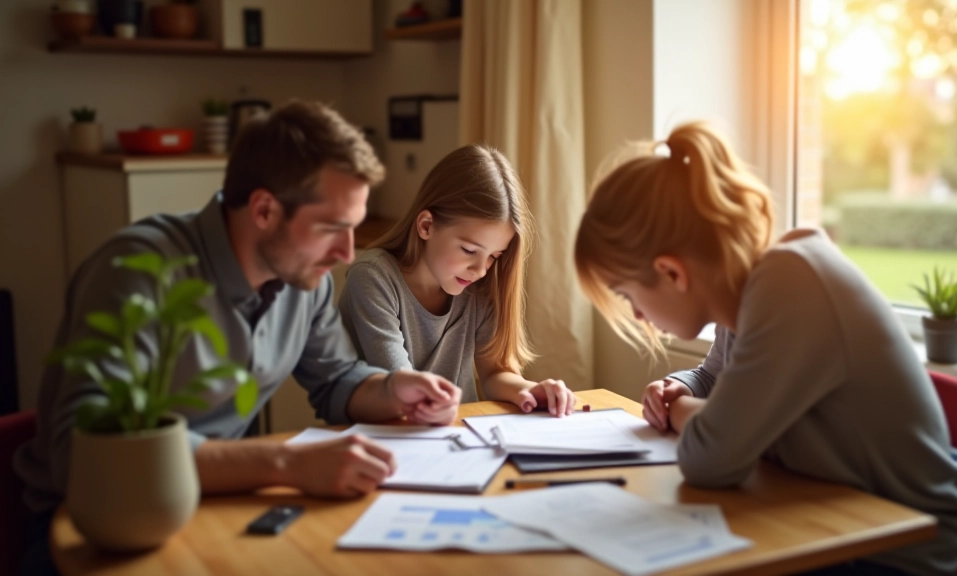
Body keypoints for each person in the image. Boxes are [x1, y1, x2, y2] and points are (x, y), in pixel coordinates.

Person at [15, 101, 461, 576]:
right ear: (265, 210)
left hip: (212, 507)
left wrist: (394, 390)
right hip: (89, 530)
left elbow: (338, 380)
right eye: (332, 228)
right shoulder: (140, 271)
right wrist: (287, 464)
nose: (347, 253)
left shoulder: (303, 280)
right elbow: (84, 455)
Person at [573, 122, 957, 576]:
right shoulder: (742, 293)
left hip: (891, 552)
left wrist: (683, 408)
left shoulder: (790, 285)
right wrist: (678, 386)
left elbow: (710, 458)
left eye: (627, 296)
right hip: (823, 518)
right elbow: (714, 379)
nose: (638, 318)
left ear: (671, 273)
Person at [338, 145, 575, 417]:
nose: (481, 269)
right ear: (426, 226)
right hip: (379, 442)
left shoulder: (478, 286)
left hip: (450, 439)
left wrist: (526, 389)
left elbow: (495, 373)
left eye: (494, 256)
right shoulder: (372, 278)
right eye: (469, 251)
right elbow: (400, 387)